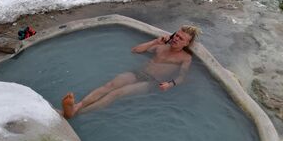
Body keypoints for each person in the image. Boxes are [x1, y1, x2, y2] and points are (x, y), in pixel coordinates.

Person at [61, 25, 201, 118]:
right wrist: (154, 42)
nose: (176, 38)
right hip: (138, 73)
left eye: (180, 38)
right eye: (176, 35)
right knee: (110, 85)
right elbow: (135, 50)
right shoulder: (162, 45)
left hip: (152, 82)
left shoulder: (185, 58)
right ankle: (75, 107)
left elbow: (181, 78)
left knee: (116, 93)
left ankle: (77, 113)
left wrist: (170, 84)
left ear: (186, 43)